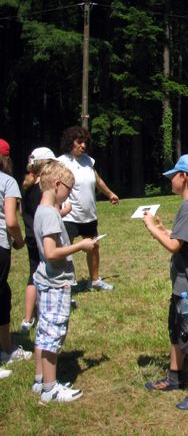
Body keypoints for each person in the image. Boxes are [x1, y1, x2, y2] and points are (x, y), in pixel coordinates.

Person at [143, 154, 188, 410]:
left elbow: (174, 246)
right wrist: (162, 229)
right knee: (176, 329)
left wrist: (151, 228)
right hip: (182, 283)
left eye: (174, 174)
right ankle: (174, 377)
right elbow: (181, 238)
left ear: (184, 177)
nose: (171, 179)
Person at [32, 161, 96, 402]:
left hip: (46, 279)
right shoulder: (49, 214)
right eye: (69, 189)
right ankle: (50, 388)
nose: (69, 193)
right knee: (53, 334)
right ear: (57, 185)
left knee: (44, 331)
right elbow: (50, 252)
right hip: (55, 282)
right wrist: (80, 245)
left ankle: (41, 380)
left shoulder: (43, 210)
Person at [58, 126, 119, 291]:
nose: (83, 146)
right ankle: (63, 285)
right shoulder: (61, 162)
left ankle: (95, 281)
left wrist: (110, 193)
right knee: (64, 251)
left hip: (89, 215)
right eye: (79, 142)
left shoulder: (88, 160)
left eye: (85, 142)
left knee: (94, 247)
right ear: (70, 142)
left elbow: (97, 179)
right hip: (69, 216)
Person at [20, 148, 71, 333]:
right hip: (43, 236)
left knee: (33, 273)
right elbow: (48, 212)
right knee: (40, 273)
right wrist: (64, 211)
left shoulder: (27, 184)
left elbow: (22, 212)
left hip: (31, 234)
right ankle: (42, 311)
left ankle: (28, 319)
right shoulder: (41, 189)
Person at [0, 139, 28, 377]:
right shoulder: (7, 181)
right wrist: (19, 240)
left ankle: (7, 348)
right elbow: (11, 220)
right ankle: (6, 351)